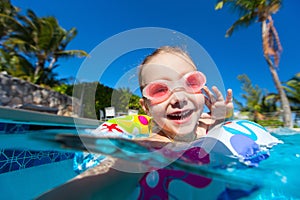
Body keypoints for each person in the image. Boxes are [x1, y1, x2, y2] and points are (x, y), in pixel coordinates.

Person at [138, 46, 233, 143]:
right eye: (160, 90)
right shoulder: (154, 144)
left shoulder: (205, 126)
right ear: (146, 107)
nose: (180, 98)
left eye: (190, 83)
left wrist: (224, 117)